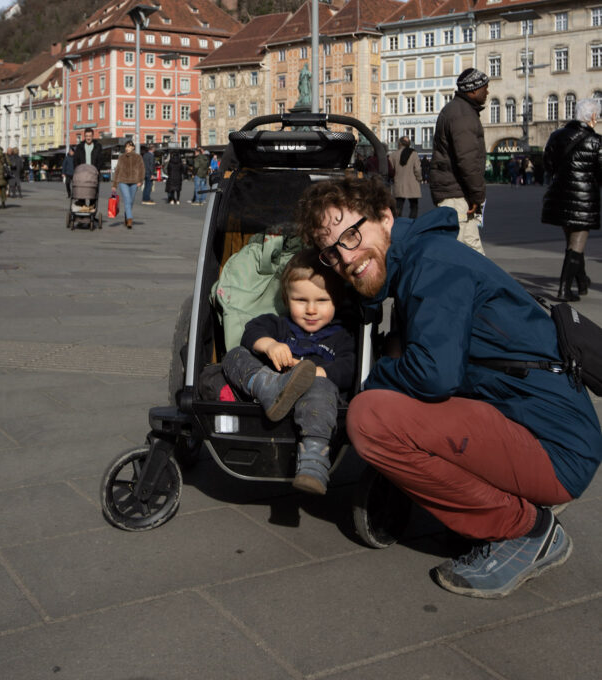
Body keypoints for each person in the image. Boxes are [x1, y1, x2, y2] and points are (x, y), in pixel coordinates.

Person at [295, 175, 602, 599]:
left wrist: (371, 379)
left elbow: (435, 376)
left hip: (556, 448)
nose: (345, 257)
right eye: (332, 252)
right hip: (540, 428)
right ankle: (513, 505)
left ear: (386, 217)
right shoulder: (416, 258)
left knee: (371, 418)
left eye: (351, 234)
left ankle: (528, 532)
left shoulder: (432, 263)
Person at [221, 249, 356, 495]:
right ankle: (269, 386)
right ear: (286, 299)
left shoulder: (342, 337)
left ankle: (313, 460)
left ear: (336, 301)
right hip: (274, 391)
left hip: (318, 402)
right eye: (301, 300)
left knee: (321, 386)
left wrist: (318, 374)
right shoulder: (280, 325)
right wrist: (270, 345)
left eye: (322, 301)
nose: (311, 310)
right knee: (234, 355)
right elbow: (251, 331)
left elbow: (349, 369)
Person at [541, 97, 602, 302]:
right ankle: (564, 289)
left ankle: (582, 281)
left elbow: (547, 164)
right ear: (593, 117)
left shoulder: (556, 135)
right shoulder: (596, 141)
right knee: (576, 243)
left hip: (559, 195)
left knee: (573, 241)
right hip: (583, 198)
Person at [429, 68, 488, 254]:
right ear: (473, 90)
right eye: (485, 88)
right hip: (455, 193)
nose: (487, 92)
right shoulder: (463, 115)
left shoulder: (459, 110)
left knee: (465, 249)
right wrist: (478, 197)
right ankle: (485, 283)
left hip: (455, 191)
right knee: (465, 250)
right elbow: (467, 160)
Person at [111, 139, 145, 228]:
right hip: (123, 181)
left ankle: (127, 216)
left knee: (131, 202)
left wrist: (140, 180)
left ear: (133, 147)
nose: (127, 148)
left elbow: (142, 169)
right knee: (127, 199)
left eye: (129, 146)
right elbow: (117, 170)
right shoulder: (121, 157)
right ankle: (130, 220)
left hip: (134, 182)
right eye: (126, 146)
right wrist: (114, 184)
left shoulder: (138, 157)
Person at [389, 136, 422, 219]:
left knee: (399, 206)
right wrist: (419, 178)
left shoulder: (393, 155)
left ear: (399, 143)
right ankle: (412, 223)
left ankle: (398, 223)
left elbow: (391, 169)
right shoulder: (414, 154)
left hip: (399, 183)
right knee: (414, 206)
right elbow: (417, 169)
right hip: (412, 183)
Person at [73, 128, 103, 205]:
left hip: (93, 173)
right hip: (82, 173)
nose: (88, 138)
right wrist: (76, 170)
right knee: (81, 190)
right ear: (84, 136)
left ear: (93, 136)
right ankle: (81, 206)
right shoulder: (80, 147)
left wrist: (98, 170)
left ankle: (92, 207)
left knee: (93, 192)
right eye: (87, 136)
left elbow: (100, 160)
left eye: (90, 136)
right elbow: (76, 159)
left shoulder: (98, 146)